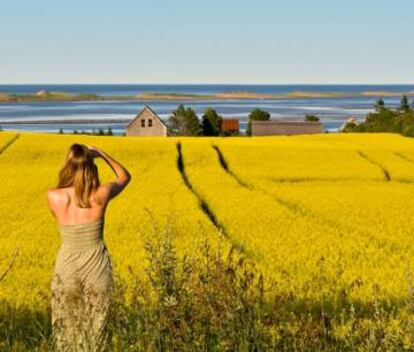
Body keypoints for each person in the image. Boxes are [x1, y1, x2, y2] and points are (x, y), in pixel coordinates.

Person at [46, 143, 131, 351]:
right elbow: (124, 177)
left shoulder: (53, 196)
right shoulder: (100, 194)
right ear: (90, 167)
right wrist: (101, 153)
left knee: (65, 325)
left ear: (69, 165)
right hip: (97, 267)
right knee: (97, 328)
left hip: (67, 266)